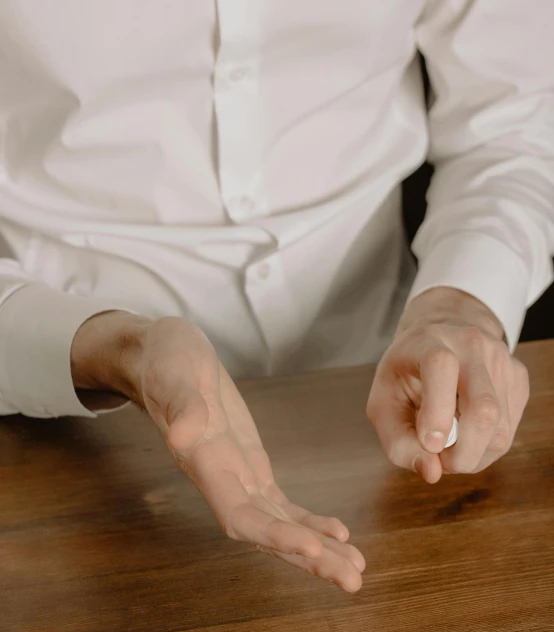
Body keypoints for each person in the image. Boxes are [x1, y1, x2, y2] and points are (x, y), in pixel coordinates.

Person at [0, 1, 552, 593]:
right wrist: (118, 350)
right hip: (57, 436)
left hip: (394, 413)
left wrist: (459, 305)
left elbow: (514, 124)